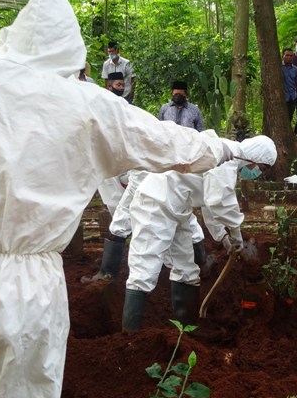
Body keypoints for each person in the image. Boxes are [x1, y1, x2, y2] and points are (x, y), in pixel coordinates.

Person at [0, 0, 233, 398]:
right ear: (70, 50)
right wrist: (226, 150)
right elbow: (170, 144)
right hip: (26, 287)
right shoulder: (85, 104)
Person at [122, 135, 277, 331]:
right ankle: (129, 339)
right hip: (155, 204)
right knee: (143, 270)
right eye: (260, 168)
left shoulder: (230, 160)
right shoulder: (226, 157)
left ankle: (186, 331)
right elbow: (219, 202)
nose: (257, 173)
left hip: (177, 209)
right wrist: (236, 235)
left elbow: (209, 202)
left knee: (186, 270)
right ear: (255, 158)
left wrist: (223, 237)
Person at [84, 82, 209, 284]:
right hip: (162, 169)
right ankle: (200, 264)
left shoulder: (122, 123)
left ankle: (108, 273)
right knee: (184, 217)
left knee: (122, 220)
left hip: (148, 171)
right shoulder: (133, 118)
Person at [281, 48, 297, 124]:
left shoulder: (295, 69)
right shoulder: (279, 67)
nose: (289, 57)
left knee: (290, 117)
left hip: (292, 97)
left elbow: (296, 82)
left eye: (291, 56)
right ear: (283, 56)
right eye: (287, 55)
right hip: (282, 98)